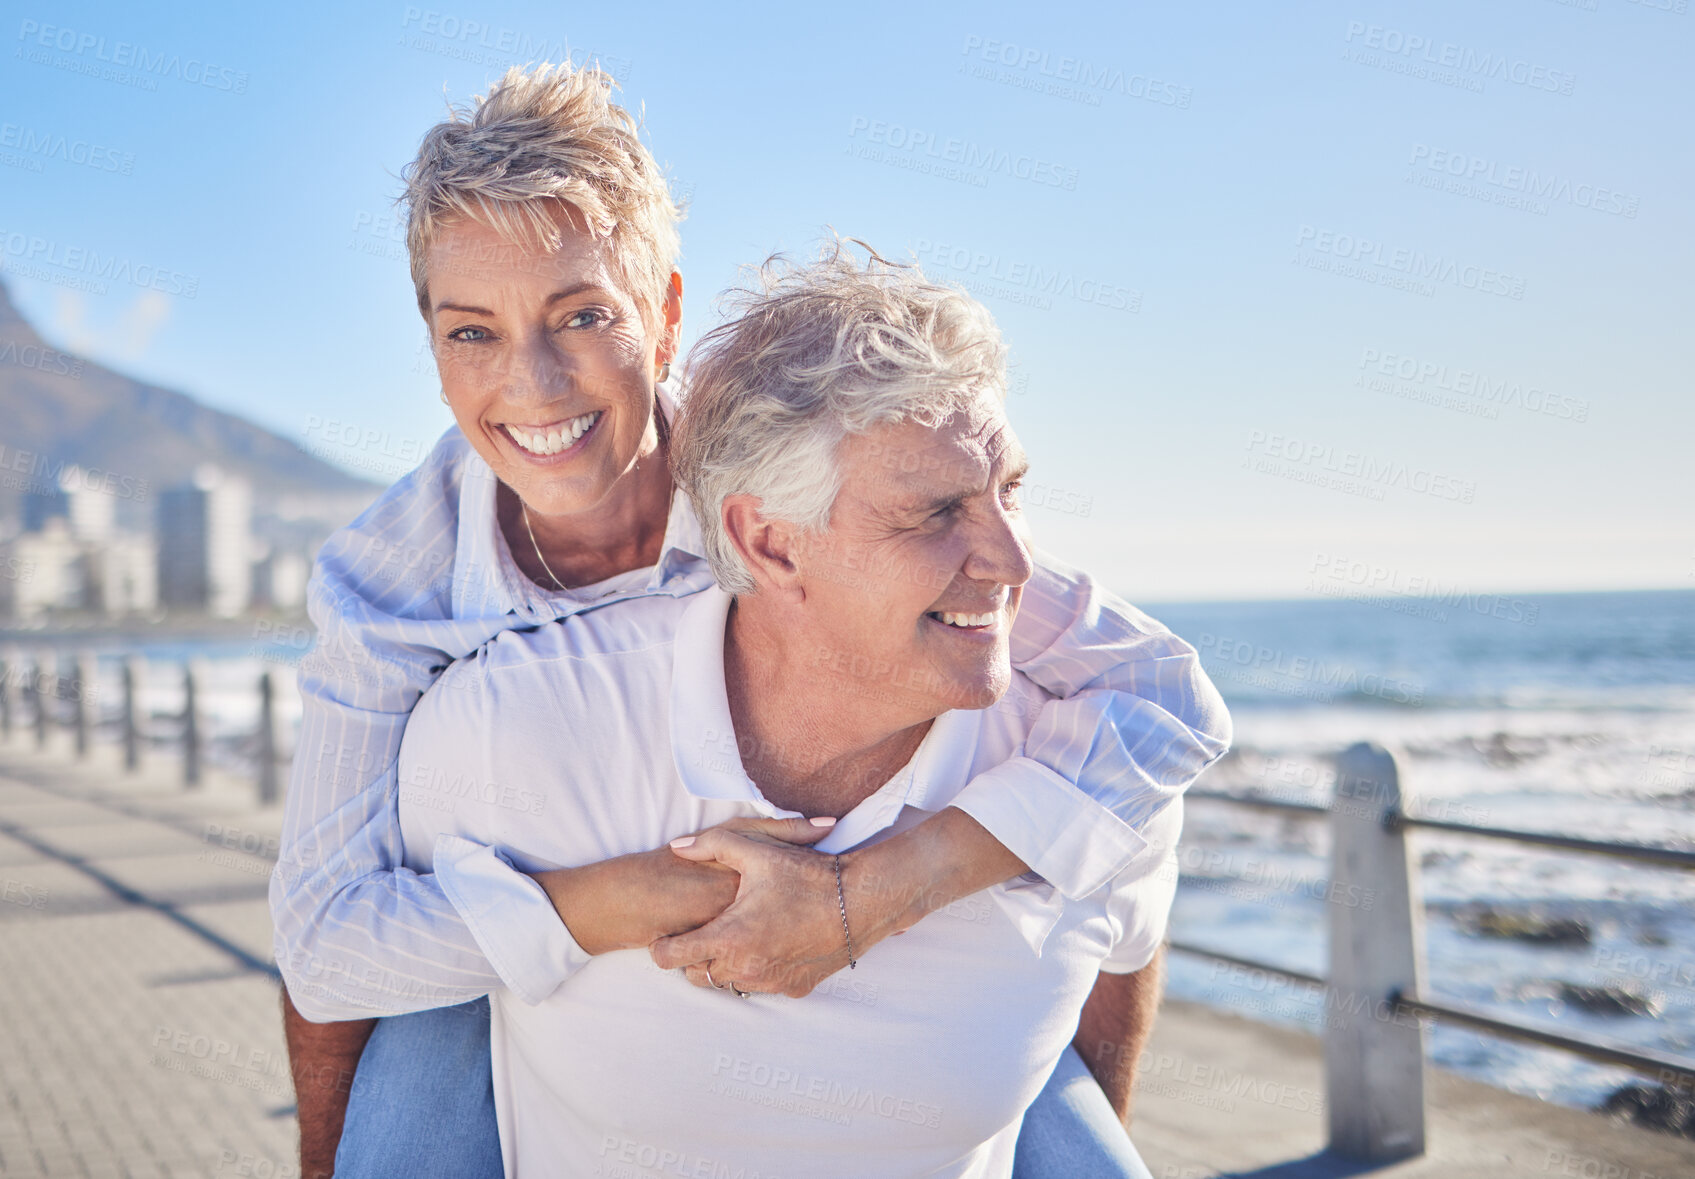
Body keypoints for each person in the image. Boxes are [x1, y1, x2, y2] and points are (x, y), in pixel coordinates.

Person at [269, 62, 1229, 1179]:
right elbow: (331, 942)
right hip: (522, 935)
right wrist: (618, 900)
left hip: (889, 996)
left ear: (665, 315)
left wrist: (870, 895)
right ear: (432, 348)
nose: (533, 383)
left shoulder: (790, 478)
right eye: (471, 332)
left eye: (582, 315)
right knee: (429, 1033)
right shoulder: (389, 582)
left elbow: (1156, 688)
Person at [392, 245, 1185, 1177]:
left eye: (1007, 490)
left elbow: (1121, 959)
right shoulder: (508, 732)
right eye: (934, 513)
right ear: (766, 540)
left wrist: (872, 896)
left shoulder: (1089, 756)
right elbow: (378, 993)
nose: (1013, 562)